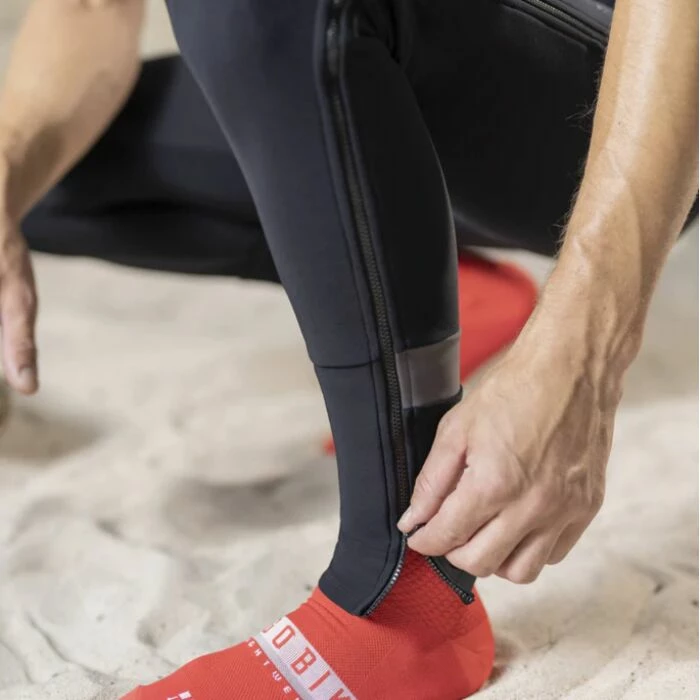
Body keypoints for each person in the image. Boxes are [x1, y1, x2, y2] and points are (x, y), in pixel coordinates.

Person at [0, 0, 696, 698]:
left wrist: (583, 354)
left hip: (641, 85)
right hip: (404, 51)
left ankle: (406, 597)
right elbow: (87, 7)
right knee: (45, 168)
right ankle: (434, 285)